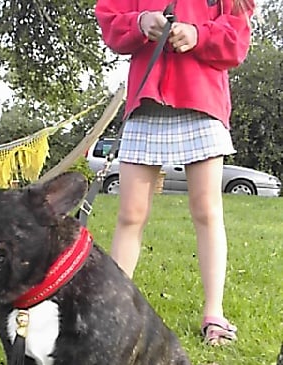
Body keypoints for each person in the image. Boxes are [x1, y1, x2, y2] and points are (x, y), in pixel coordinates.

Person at [94, 0, 255, 345]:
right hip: (144, 107)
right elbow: (109, 19)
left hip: (203, 105)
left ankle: (214, 315)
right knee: (130, 214)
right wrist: (140, 23)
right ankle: (113, 313)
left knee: (207, 211)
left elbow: (237, 41)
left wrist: (199, 35)